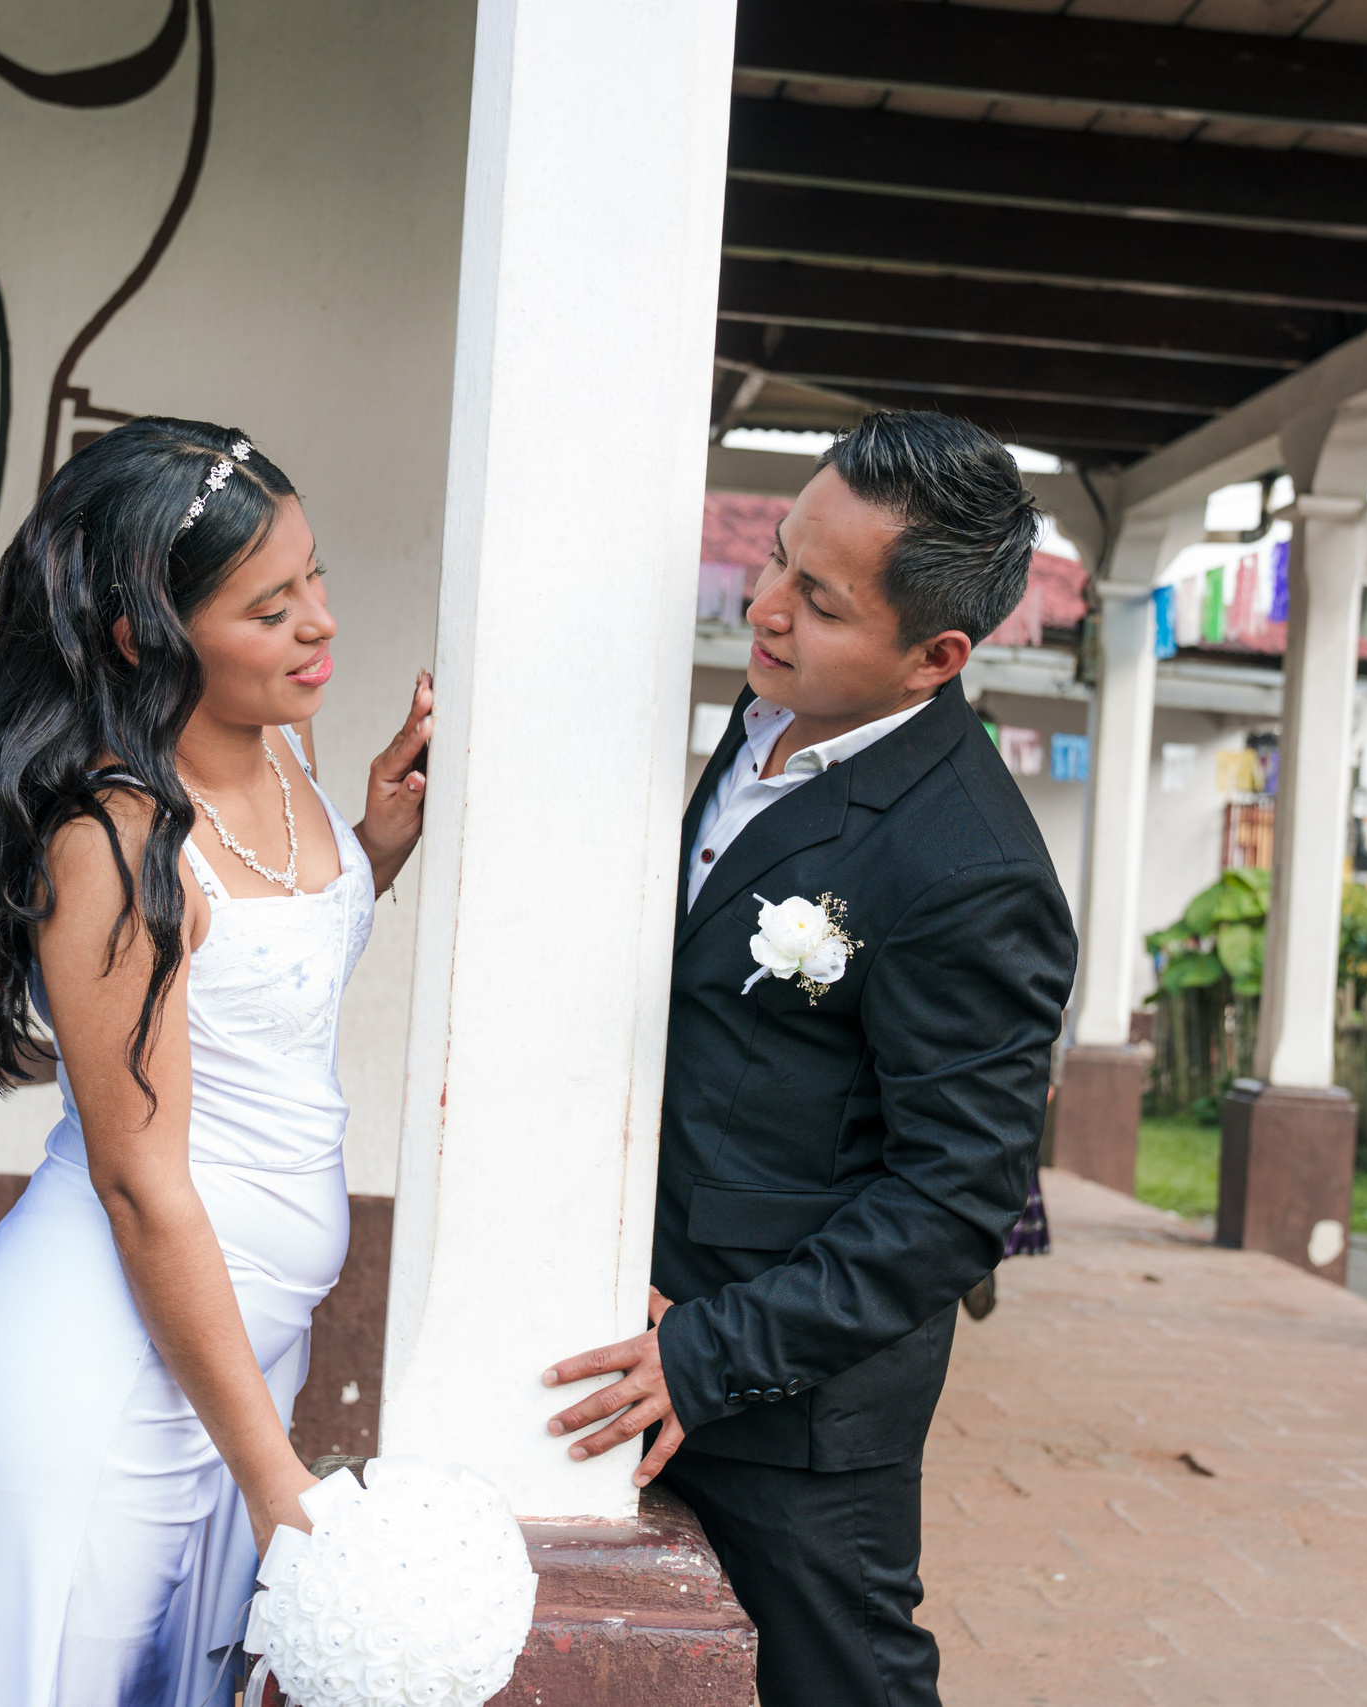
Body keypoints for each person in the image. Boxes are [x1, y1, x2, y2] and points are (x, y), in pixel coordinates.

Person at [0, 418, 433, 1706]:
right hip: (104, 1365)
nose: (320, 623)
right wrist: (272, 1472)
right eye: (269, 606)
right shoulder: (114, 845)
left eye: (314, 577)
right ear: (142, 637)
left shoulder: (286, 746)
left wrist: (373, 851)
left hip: (235, 1343)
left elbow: (255, 996)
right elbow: (138, 1182)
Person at [539, 411, 1078, 1707]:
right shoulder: (769, 707)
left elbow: (953, 1198)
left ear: (933, 656)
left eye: (818, 598)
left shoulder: (972, 867)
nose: (766, 606)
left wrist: (711, 1352)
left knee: (838, 1680)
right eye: (778, 558)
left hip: (791, 1405)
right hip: (641, 1317)